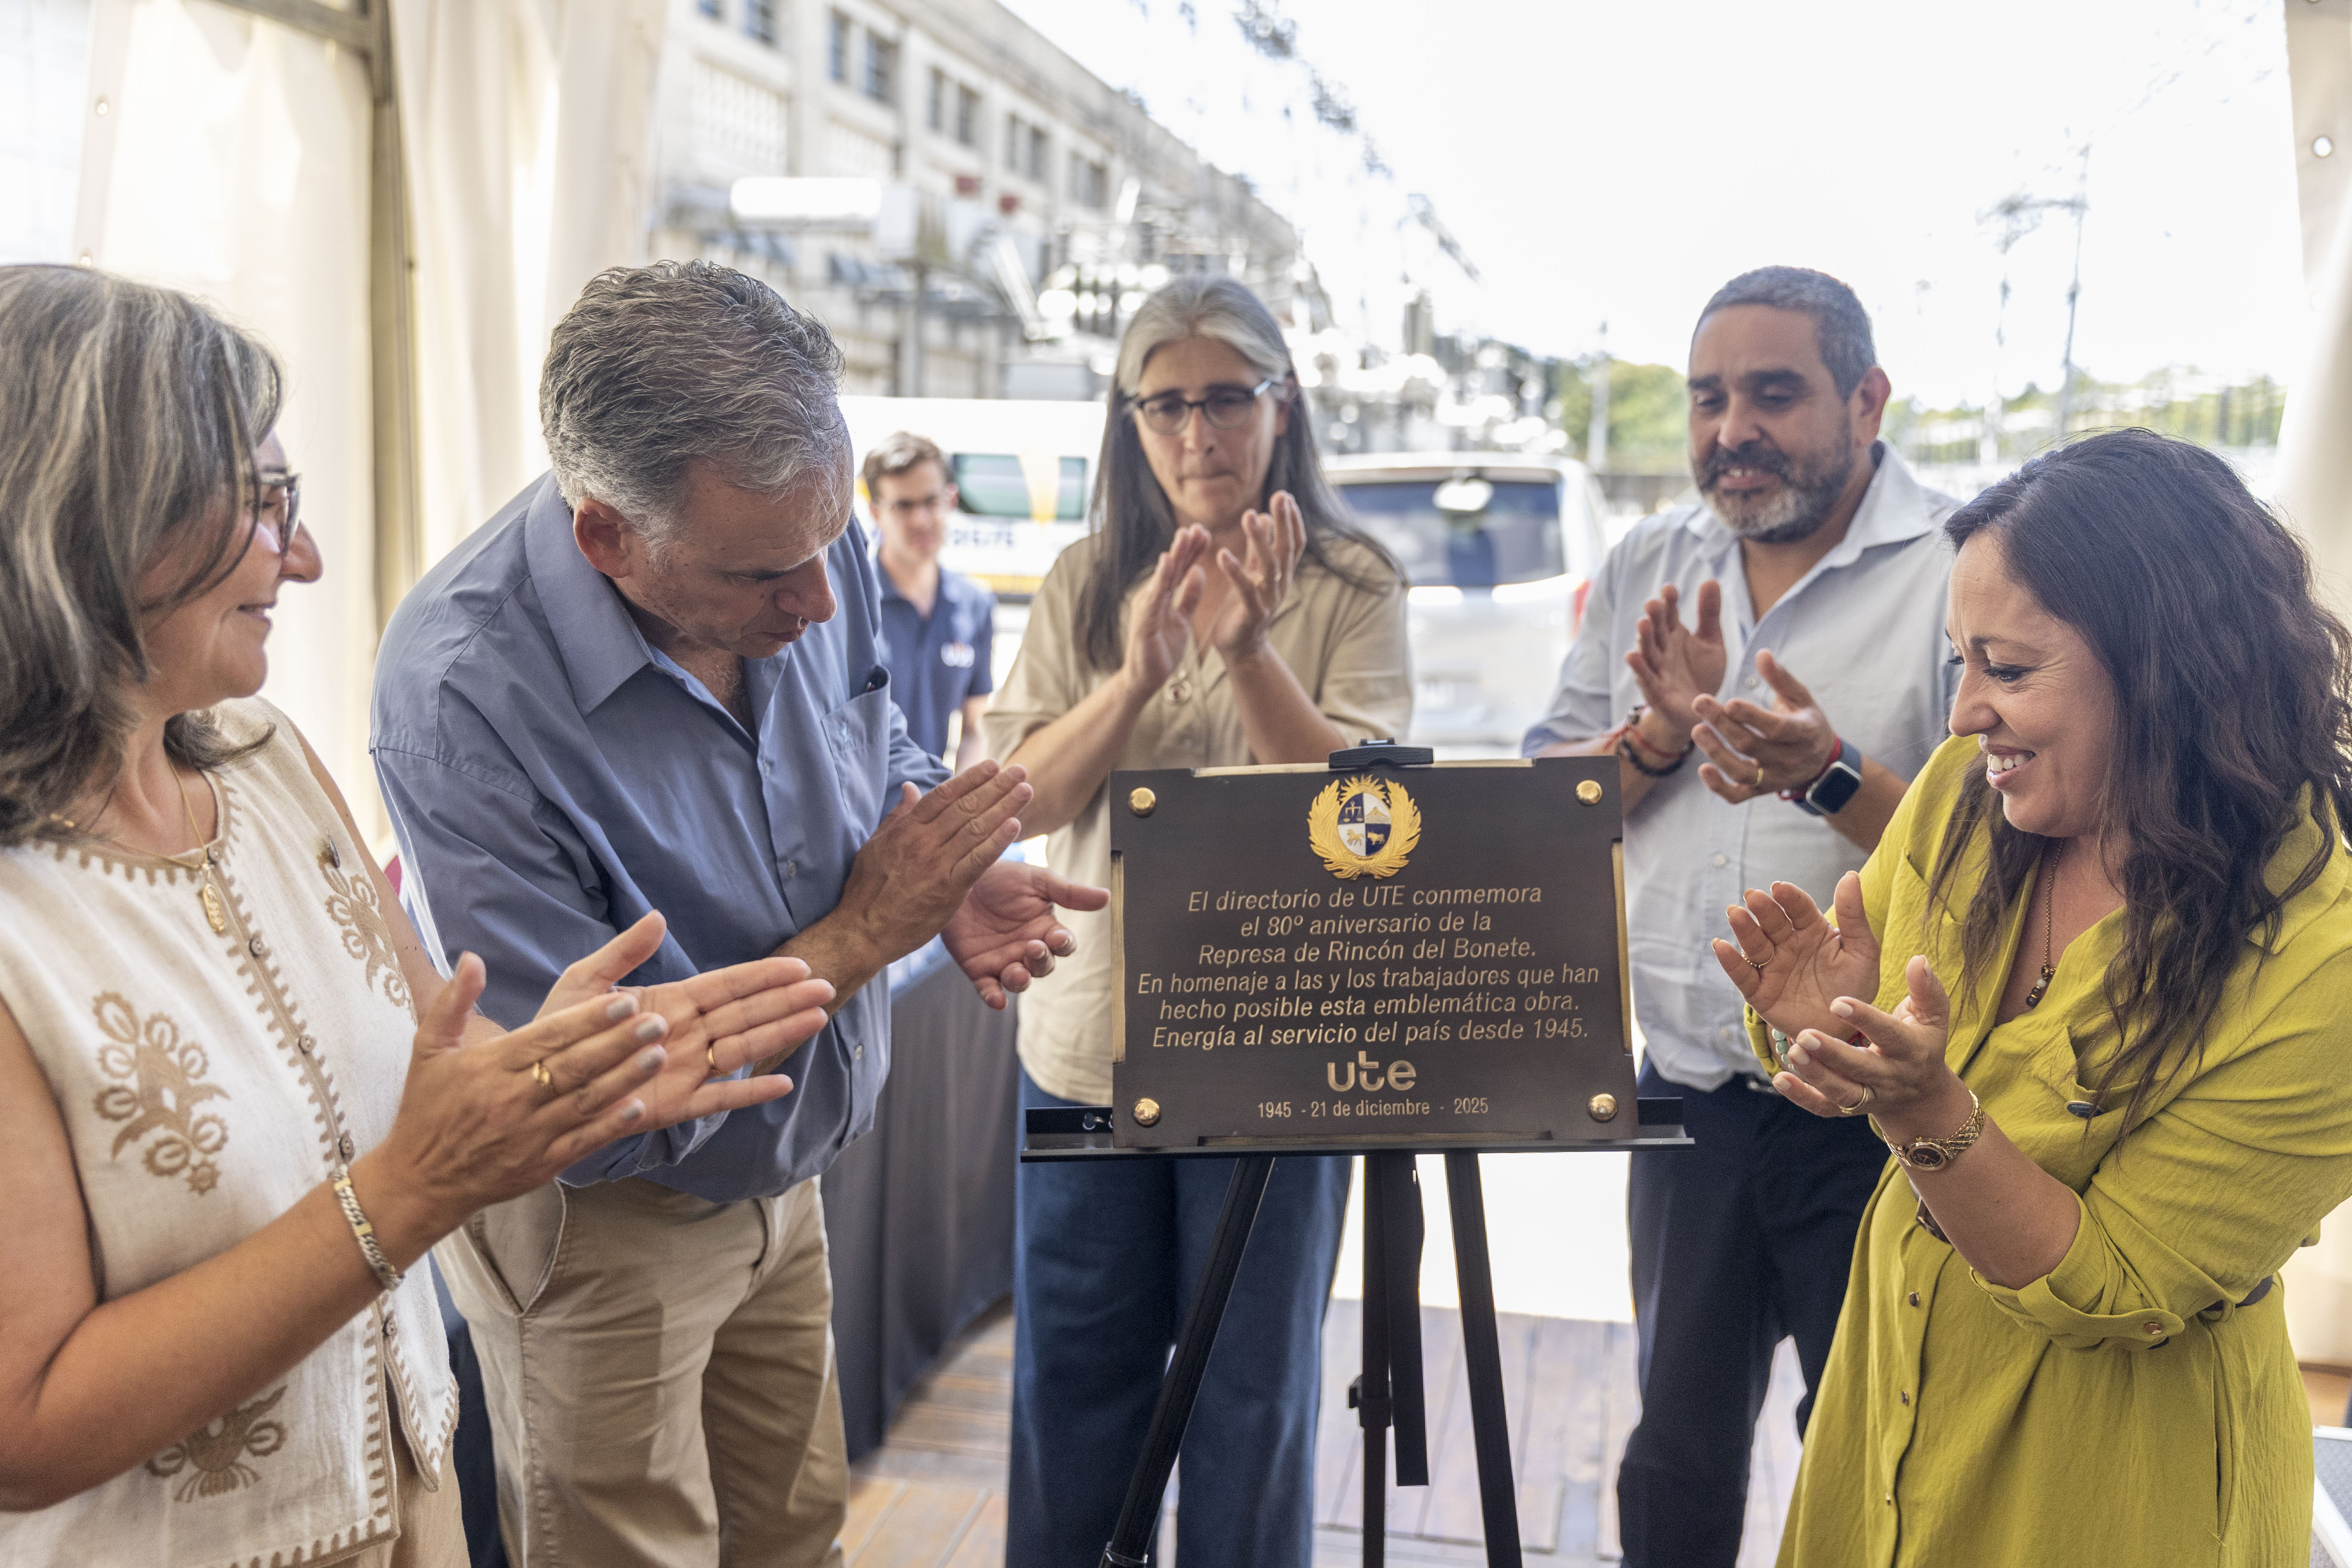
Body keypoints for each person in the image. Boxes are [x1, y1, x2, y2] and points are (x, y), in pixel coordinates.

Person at [0, 267, 828, 1567]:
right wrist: (415, 1188)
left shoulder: (264, 761)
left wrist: (560, 1063)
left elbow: (436, 1077)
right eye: (266, 505)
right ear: (90, 522)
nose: (310, 556)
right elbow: (25, 1429)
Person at [371, 259, 1104, 1568]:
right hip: (604, 1232)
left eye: (829, 549)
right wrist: (862, 936)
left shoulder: (803, 535)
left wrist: (929, 862)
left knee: (797, 1543)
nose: (821, 602)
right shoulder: (461, 691)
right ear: (608, 536)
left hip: (790, 1173)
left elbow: (873, 730)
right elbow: (572, 1096)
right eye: (766, 577)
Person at [1719, 427, 2352, 1566]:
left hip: (2114, 1484)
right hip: (1892, 1416)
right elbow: (1872, 1028)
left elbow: (2117, 1286)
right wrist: (1826, 1030)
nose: (1965, 716)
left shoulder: (2326, 957)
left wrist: (1923, 1113)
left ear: (2171, 670)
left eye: (2007, 671)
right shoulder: (1969, 799)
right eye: (1961, 663)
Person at [1522, 266, 1959, 1567]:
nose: (1731, 430)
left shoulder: (1956, 570)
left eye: (1774, 393)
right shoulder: (1652, 563)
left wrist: (1827, 772)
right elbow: (1549, 815)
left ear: (1867, 400)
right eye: (1710, 398)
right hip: (1692, 1093)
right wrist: (1657, 736)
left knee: (1879, 1454)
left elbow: (1996, 853)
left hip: (1883, 1118)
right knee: (1678, 1451)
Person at [984, 274, 1410, 1565]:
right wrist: (1136, 679)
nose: (1196, 433)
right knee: (1074, 1390)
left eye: (1226, 397)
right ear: (1131, 423)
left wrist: (1244, 652)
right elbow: (1022, 796)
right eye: (1162, 405)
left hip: (1282, 1053)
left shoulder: (1349, 577)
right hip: (1086, 1043)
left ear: (1283, 408)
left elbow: (1373, 824)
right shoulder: (1086, 574)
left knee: (1251, 1398)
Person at [863, 431, 996, 770]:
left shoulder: (975, 606)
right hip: (860, 814)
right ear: (876, 513)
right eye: (903, 506)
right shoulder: (849, 604)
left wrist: (963, 796)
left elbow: (975, 729)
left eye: (930, 502)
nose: (921, 520)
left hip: (932, 806)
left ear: (951, 500)